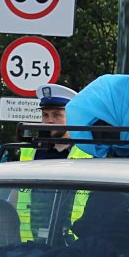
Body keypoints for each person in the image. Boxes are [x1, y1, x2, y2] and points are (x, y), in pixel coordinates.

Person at [18, 83, 91, 242]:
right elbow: (17, 195)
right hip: (30, 244)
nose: (49, 120)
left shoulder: (89, 153)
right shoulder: (30, 152)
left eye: (57, 114)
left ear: (72, 115)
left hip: (74, 246)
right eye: (45, 115)